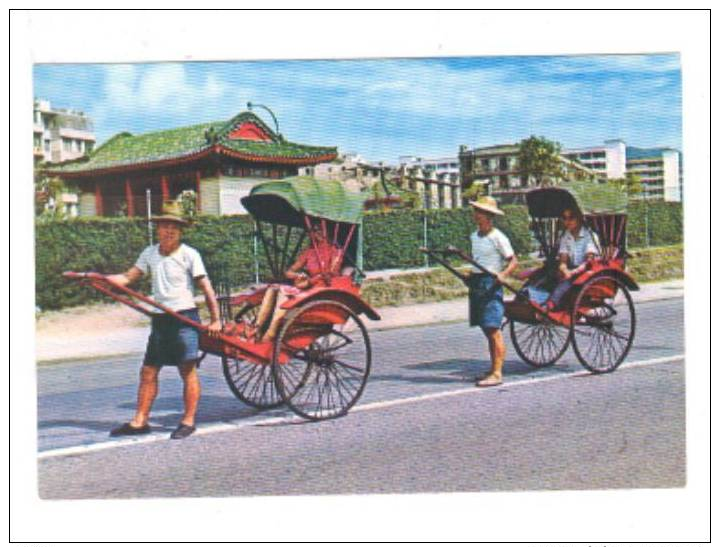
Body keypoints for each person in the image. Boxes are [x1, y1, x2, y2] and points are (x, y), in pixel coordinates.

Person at [106, 201, 222, 440]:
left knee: (186, 370)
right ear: (157, 229)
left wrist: (216, 320)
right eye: (164, 226)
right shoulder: (149, 253)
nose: (169, 231)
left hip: (184, 318)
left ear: (180, 231)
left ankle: (188, 421)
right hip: (160, 319)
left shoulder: (190, 255)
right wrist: (99, 279)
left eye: (174, 227)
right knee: (148, 370)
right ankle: (140, 421)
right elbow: (128, 277)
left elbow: (207, 288)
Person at [254, 221, 343, 342]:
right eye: (314, 231)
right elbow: (289, 272)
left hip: (322, 288)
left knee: (282, 291)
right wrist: (298, 275)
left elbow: (331, 273)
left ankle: (272, 331)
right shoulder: (309, 252)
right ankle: (257, 328)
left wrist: (311, 281)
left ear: (328, 233)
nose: (317, 234)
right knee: (272, 288)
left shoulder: (335, 252)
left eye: (320, 231)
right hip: (307, 287)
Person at [466, 196, 518, 388]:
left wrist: (503, 274)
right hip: (478, 282)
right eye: (476, 211)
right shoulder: (474, 236)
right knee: (486, 328)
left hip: (492, 282)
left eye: (479, 212)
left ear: (488, 216)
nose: (475, 215)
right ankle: (493, 368)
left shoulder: (498, 237)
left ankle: (497, 373)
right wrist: (470, 275)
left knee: (494, 328)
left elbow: (513, 261)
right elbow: (478, 261)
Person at [546, 206, 600, 309]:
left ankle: (553, 302)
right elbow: (563, 260)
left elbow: (589, 261)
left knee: (569, 280)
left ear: (579, 218)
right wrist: (564, 269)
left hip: (588, 269)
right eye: (565, 218)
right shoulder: (566, 236)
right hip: (571, 268)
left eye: (571, 218)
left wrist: (573, 272)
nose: (567, 221)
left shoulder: (590, 235)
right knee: (550, 274)